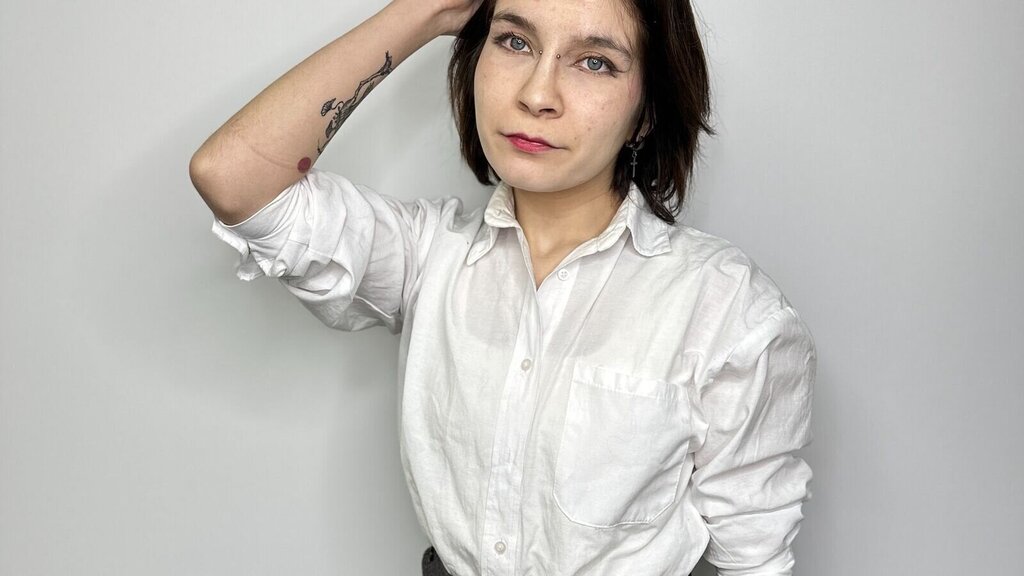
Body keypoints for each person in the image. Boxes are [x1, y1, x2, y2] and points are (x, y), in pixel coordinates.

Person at [189, 0, 816, 574]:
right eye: (515, 42)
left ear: (646, 111)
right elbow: (232, 177)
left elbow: (755, 559)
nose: (537, 94)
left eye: (595, 62)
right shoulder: (426, 255)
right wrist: (422, 13)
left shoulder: (727, 308)